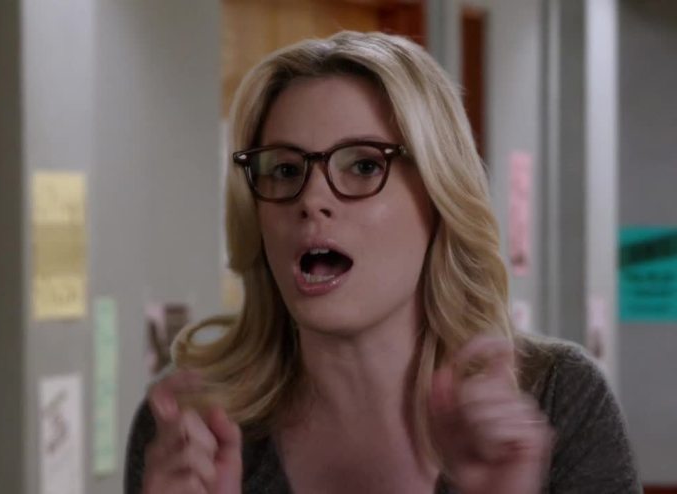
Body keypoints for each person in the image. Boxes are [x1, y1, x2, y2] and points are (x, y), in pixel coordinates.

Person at [125, 31, 641, 494]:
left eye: (364, 165)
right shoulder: (191, 428)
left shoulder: (555, 401)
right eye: (284, 170)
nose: (311, 199)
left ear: (438, 196)